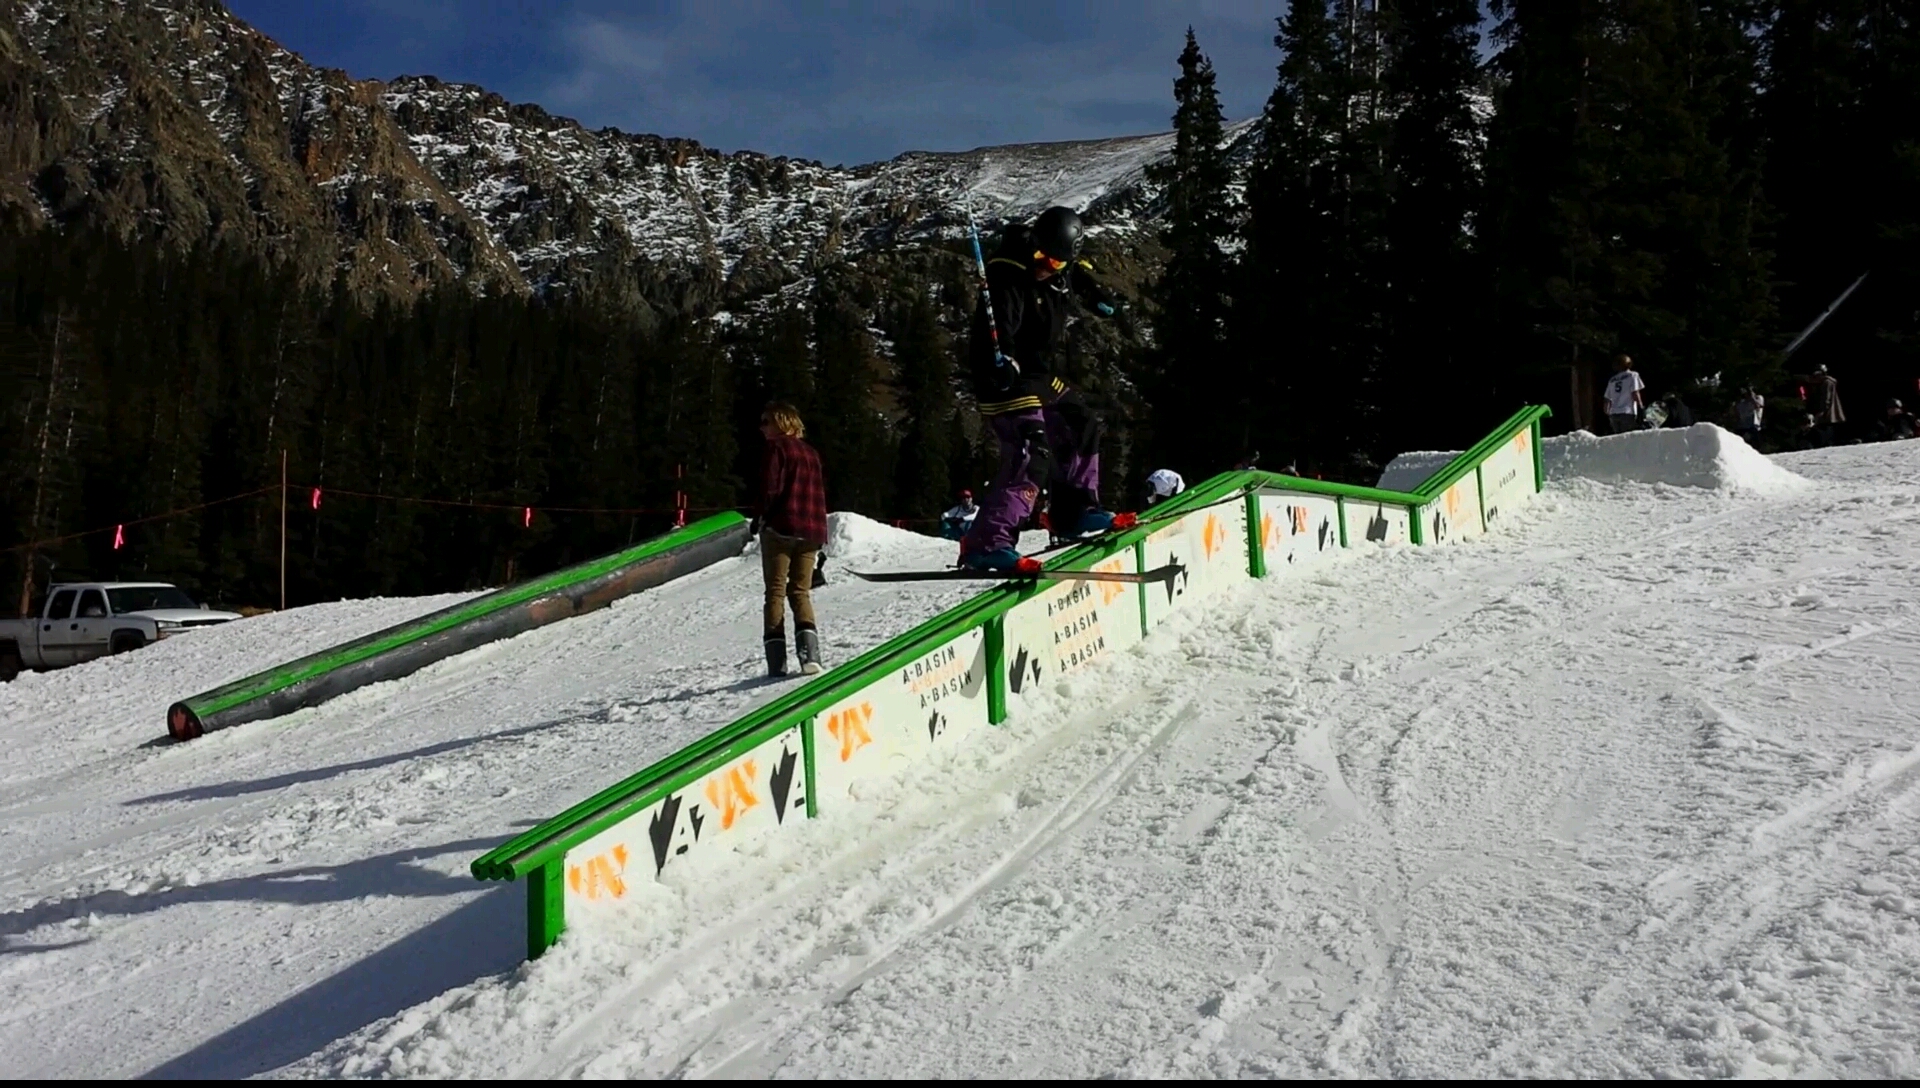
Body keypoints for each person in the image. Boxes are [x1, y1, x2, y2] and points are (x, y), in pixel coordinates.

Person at [959, 206, 1129, 570]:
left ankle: (1075, 512)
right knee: (1030, 450)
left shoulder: (1062, 269)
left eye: (1054, 262)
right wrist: (1001, 359)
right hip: (1003, 372)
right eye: (1039, 256)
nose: (1044, 265)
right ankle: (986, 543)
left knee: (1080, 421)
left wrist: (1097, 294)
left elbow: (1077, 277)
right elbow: (999, 324)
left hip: (1037, 372)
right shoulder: (1009, 272)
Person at [755, 402, 828, 678]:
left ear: (782, 423)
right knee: (800, 591)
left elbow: (769, 489)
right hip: (810, 531)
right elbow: (819, 494)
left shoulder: (776, 449)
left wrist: (760, 518)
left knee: (774, 591)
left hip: (781, 527)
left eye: (766, 421)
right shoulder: (811, 453)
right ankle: (811, 656)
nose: (762, 427)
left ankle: (777, 664)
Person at [1803, 364, 1845, 446]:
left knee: (1826, 431)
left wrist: (1822, 411)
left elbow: (1826, 398)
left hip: (1827, 412)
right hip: (1827, 411)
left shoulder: (1826, 383)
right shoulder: (1825, 382)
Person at [1602, 354, 1645, 433]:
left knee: (1618, 438)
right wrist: (1641, 407)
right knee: (1628, 438)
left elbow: (1607, 399)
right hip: (1627, 411)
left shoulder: (1612, 380)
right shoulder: (1633, 375)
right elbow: (1635, 392)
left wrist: (1608, 413)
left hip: (1614, 413)